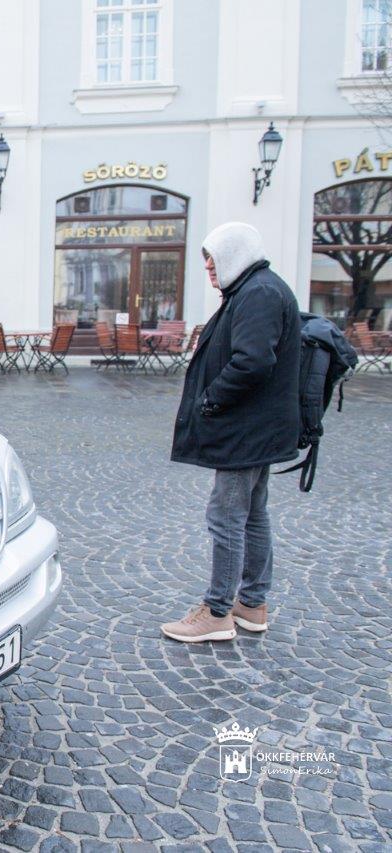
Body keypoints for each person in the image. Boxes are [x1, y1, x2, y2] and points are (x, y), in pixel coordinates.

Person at [163, 222, 300, 643]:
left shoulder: (258, 293)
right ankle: (252, 604)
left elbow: (252, 362)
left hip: (247, 431)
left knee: (225, 517)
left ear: (235, 254)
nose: (208, 266)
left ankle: (218, 610)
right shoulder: (256, 289)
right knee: (252, 515)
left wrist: (211, 401)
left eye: (213, 258)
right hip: (258, 430)